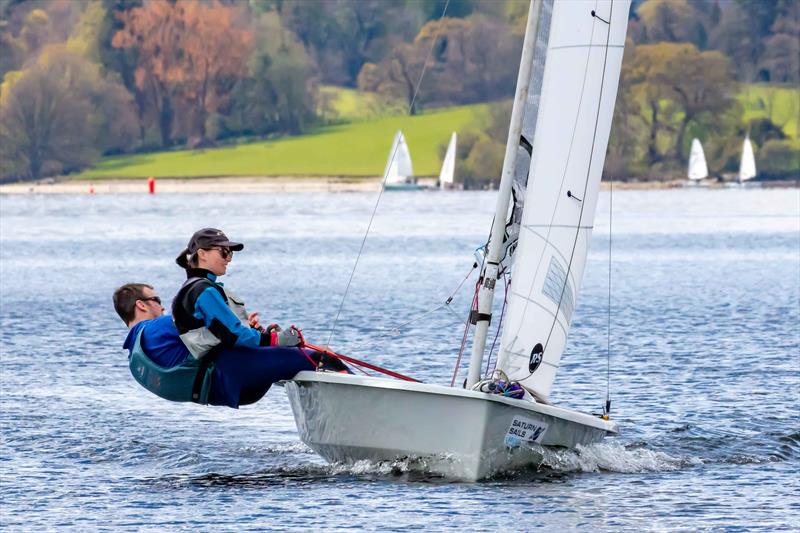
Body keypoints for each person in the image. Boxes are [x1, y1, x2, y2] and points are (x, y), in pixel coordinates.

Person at [113, 281, 343, 408]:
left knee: (288, 361)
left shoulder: (135, 357)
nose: (162, 307)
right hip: (234, 376)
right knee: (320, 356)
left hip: (224, 394)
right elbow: (219, 329)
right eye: (157, 301)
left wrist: (250, 333)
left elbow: (205, 341)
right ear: (142, 305)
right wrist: (248, 330)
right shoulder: (157, 327)